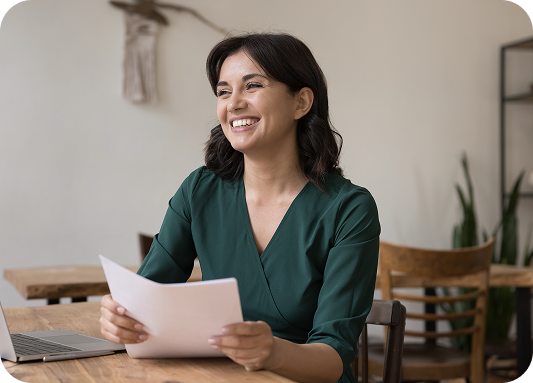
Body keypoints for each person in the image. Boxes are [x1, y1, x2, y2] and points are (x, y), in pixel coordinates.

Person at [100, 32, 380, 383]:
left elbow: (333, 357)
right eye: (223, 91)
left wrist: (274, 353)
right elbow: (145, 297)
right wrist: (122, 318)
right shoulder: (199, 190)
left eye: (252, 86)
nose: (233, 104)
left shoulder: (350, 209)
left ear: (301, 102)